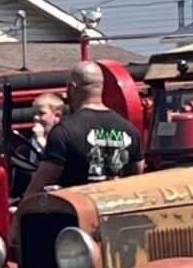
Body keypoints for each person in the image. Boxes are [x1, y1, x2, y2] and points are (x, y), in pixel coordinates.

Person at [26, 62, 143, 197]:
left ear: (72, 88)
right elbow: (137, 180)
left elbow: (38, 187)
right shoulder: (131, 131)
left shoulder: (64, 131)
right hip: (117, 213)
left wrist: (19, 212)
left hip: (78, 215)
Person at [11, 91, 65, 195]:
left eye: (41, 113)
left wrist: (41, 140)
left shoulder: (64, 143)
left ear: (57, 116)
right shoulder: (24, 151)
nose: (36, 117)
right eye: (34, 114)